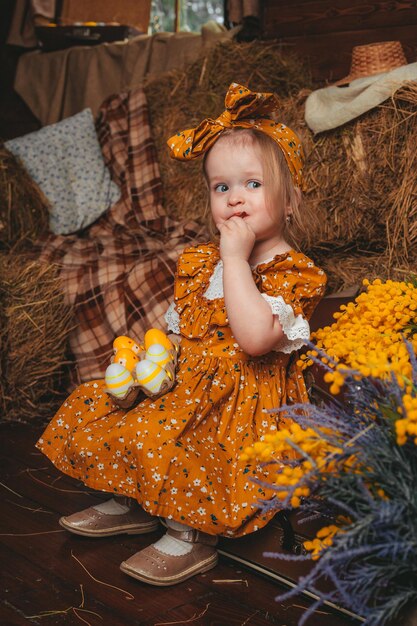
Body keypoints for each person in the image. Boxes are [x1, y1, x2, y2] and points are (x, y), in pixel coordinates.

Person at [36, 82, 327, 586]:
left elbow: (256, 339)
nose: (235, 198)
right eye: (221, 187)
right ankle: (132, 498)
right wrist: (156, 355)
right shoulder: (199, 263)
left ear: (291, 201)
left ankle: (189, 531)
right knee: (118, 413)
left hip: (241, 402)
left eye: (252, 185)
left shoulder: (290, 272)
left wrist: (235, 259)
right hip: (190, 378)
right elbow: (180, 323)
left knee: (188, 443)